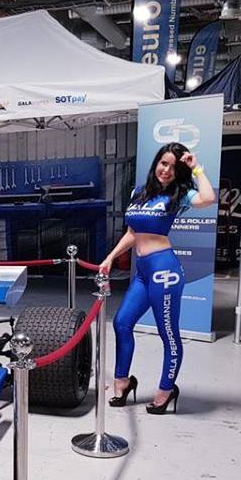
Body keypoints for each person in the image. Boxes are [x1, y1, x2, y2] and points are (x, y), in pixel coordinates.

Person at [99, 142, 216, 414]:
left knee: (168, 334)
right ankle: (123, 382)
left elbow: (208, 198)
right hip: (143, 273)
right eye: (164, 163)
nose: (167, 170)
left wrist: (196, 168)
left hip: (165, 272)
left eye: (174, 167)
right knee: (122, 323)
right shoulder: (139, 192)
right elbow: (132, 233)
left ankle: (166, 390)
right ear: (156, 163)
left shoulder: (181, 194)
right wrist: (110, 258)